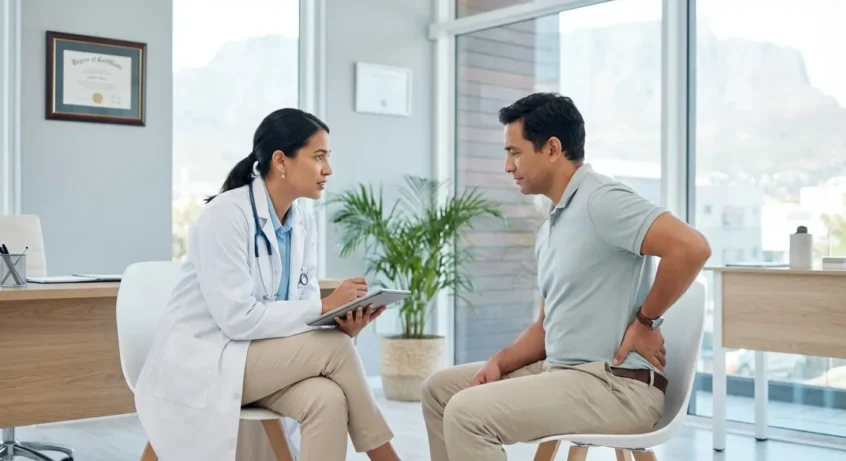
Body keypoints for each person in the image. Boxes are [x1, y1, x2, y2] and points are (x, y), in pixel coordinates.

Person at [421, 93, 712, 461]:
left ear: (552, 149)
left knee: (467, 413)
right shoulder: (553, 226)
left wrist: (645, 321)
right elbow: (545, 328)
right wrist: (500, 362)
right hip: (561, 372)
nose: (508, 166)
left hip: (615, 387)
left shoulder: (601, 199)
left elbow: (691, 248)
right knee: (438, 391)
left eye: (515, 152)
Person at [134, 108, 401, 461]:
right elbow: (238, 319)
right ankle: (387, 457)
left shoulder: (302, 222)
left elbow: (301, 315)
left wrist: (342, 324)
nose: (328, 169)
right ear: (281, 160)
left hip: (261, 360)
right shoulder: (226, 216)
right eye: (318, 156)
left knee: (327, 398)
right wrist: (325, 306)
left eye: (327, 157)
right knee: (336, 349)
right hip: (206, 360)